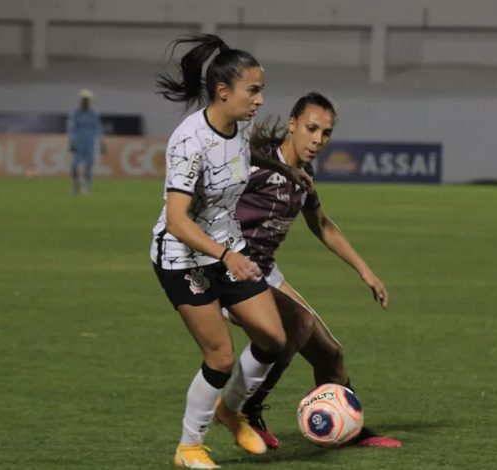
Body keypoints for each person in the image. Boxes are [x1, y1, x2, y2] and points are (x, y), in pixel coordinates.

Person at [151, 34, 310, 469]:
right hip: (184, 258)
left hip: (227, 248)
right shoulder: (188, 141)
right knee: (219, 356)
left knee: (273, 338)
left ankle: (229, 410)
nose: (260, 100)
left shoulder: (240, 127)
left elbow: (250, 157)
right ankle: (189, 447)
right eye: (253, 90)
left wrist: (288, 172)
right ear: (224, 92)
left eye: (261, 90)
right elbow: (179, 221)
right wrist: (224, 255)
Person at [231, 92, 402, 449]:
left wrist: (365, 271)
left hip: (265, 271)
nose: (317, 140)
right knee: (299, 323)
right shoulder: (255, 166)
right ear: (292, 124)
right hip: (231, 271)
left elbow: (321, 224)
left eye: (325, 133)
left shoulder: (304, 174)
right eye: (311, 128)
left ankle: (349, 428)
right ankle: (246, 408)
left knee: (330, 353)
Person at [67, 89, 105, 194]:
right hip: (78, 144)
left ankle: (87, 187)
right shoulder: (75, 114)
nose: (85, 101)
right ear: (80, 100)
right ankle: (75, 186)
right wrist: (71, 142)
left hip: (90, 144)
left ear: (90, 101)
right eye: (83, 99)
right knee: (74, 165)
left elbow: (98, 129)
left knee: (88, 167)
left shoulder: (93, 114)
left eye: (87, 100)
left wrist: (102, 143)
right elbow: (71, 128)